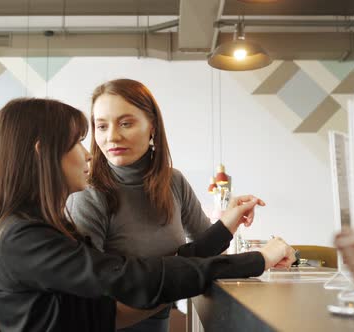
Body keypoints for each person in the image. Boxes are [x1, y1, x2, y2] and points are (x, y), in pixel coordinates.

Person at [0, 98, 296, 332]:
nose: (89, 151)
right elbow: (129, 280)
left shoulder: (42, 229)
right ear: (42, 152)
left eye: (126, 123)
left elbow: (147, 272)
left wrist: (229, 229)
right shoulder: (24, 238)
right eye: (82, 139)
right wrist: (257, 260)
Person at [68, 78, 253, 331]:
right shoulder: (89, 194)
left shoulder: (173, 181)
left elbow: (203, 248)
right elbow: (89, 290)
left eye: (125, 123)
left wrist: (230, 219)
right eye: (101, 126)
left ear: (152, 126)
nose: (112, 136)